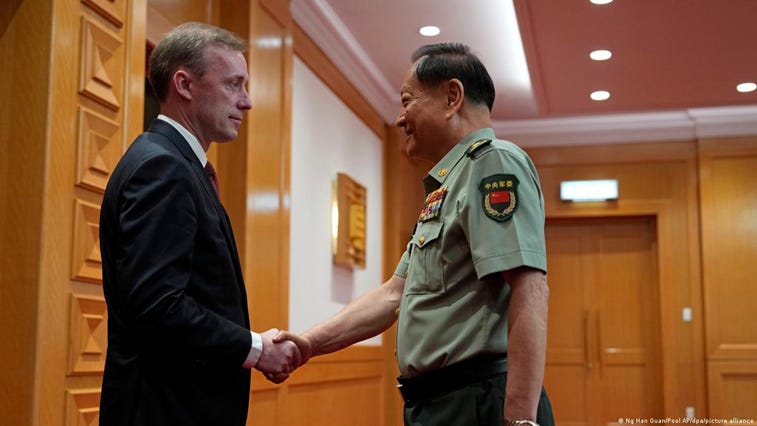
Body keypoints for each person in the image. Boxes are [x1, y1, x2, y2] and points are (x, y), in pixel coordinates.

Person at [276, 43, 554, 425]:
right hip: (440, 403)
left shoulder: (493, 163)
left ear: (452, 97)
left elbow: (529, 286)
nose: (399, 119)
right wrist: (309, 343)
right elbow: (393, 294)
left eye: (407, 101)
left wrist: (521, 421)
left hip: (477, 401)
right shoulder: (447, 187)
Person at [99, 22, 300, 426]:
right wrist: (256, 348)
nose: (247, 101)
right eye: (233, 84)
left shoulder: (173, 162)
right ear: (184, 84)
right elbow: (158, 306)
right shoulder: (163, 167)